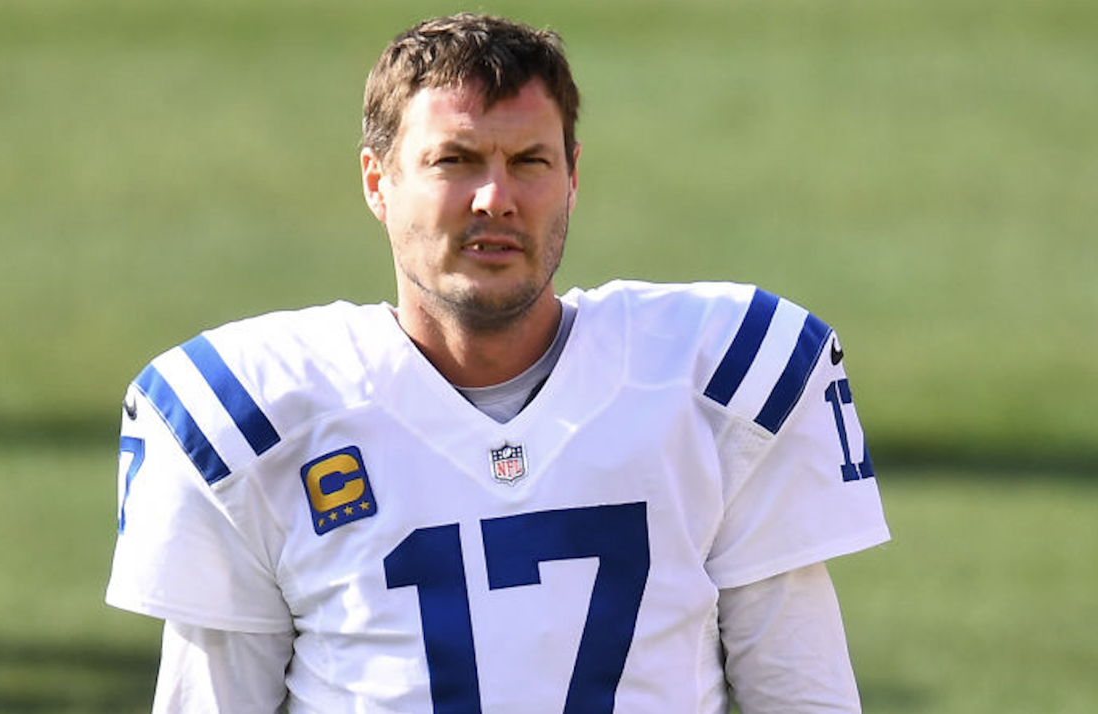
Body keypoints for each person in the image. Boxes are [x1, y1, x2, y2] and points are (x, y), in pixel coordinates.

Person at [106, 12, 889, 713]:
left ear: (573, 178)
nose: (496, 197)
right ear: (378, 181)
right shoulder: (260, 417)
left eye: (529, 161)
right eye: (456, 159)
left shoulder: (712, 384)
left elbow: (803, 694)